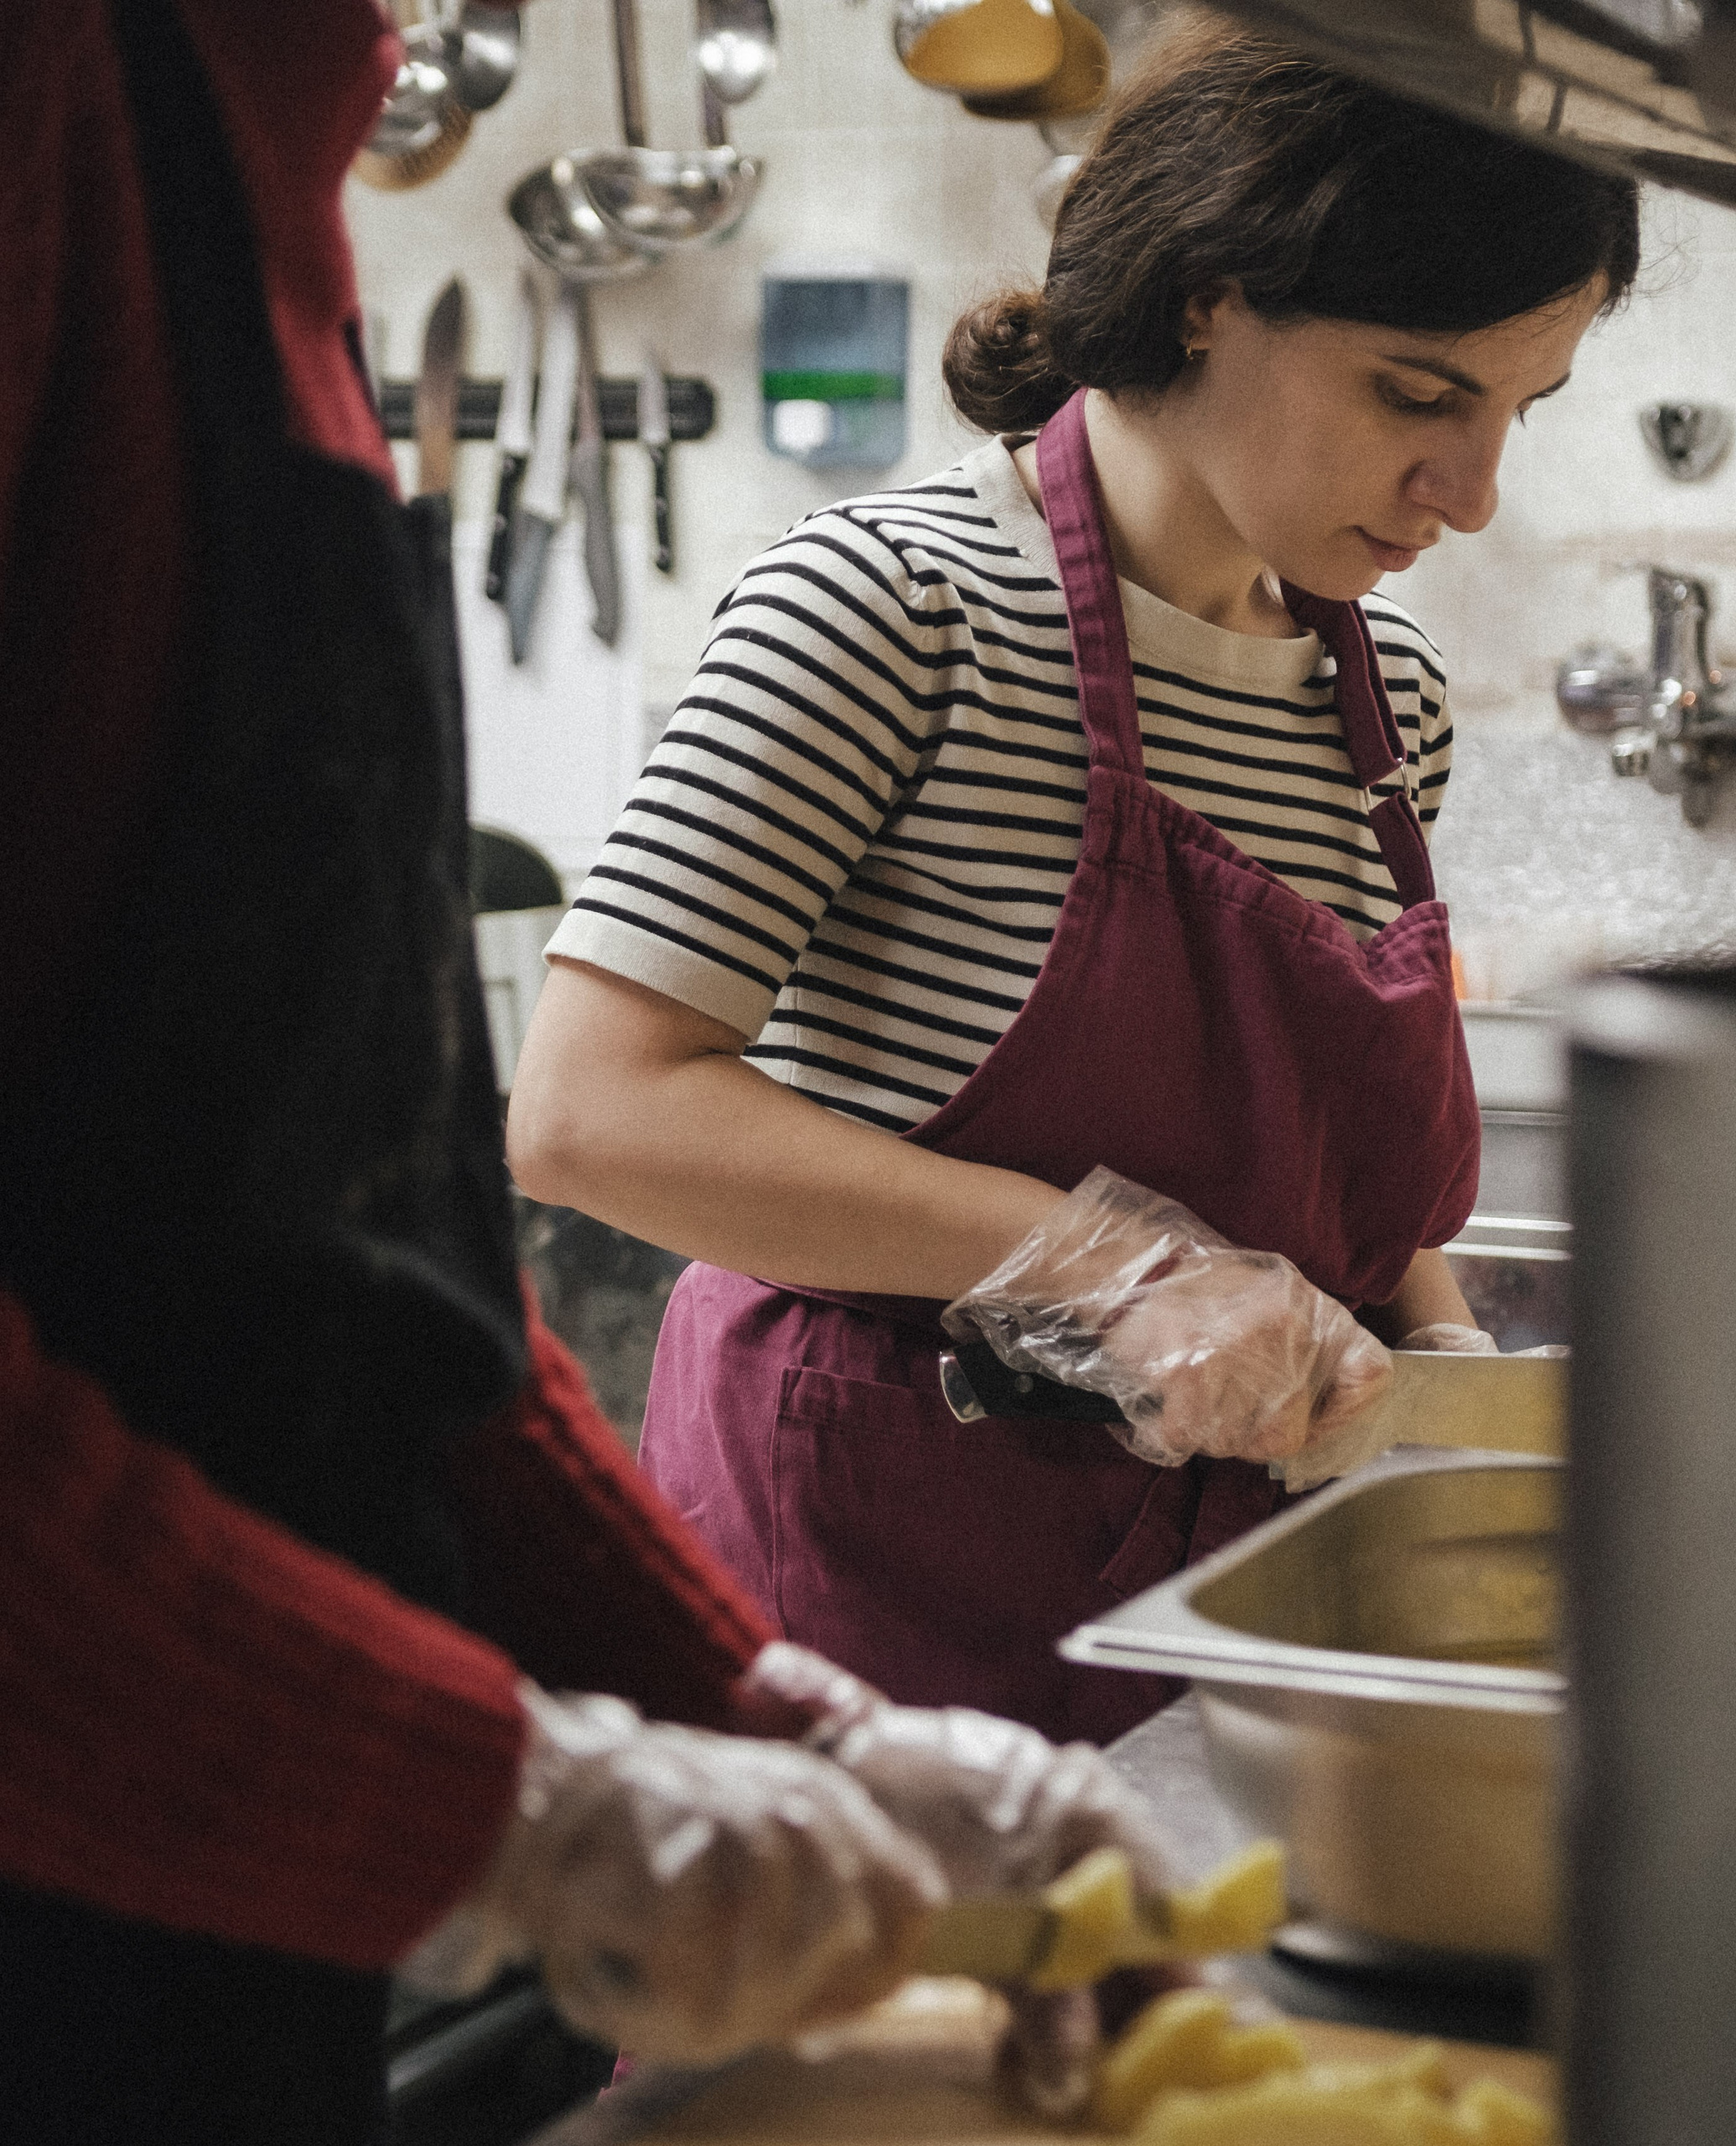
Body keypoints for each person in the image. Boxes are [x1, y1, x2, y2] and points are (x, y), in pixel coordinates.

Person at [0, 4, 1172, 2140]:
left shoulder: (259, 124)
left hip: (224, 1841)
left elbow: (348, 1259)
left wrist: (749, 1706)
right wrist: (523, 1806)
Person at [509, 13, 1642, 1745]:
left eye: (1513, 412)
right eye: (1416, 394)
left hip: (1232, 1599)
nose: (1470, 494)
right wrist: (1109, 1269)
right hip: (879, 1593)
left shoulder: (1381, 697)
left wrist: (1440, 1369)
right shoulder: (891, 609)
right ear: (1205, 290)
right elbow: (592, 1111)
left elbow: (1352, 1179)